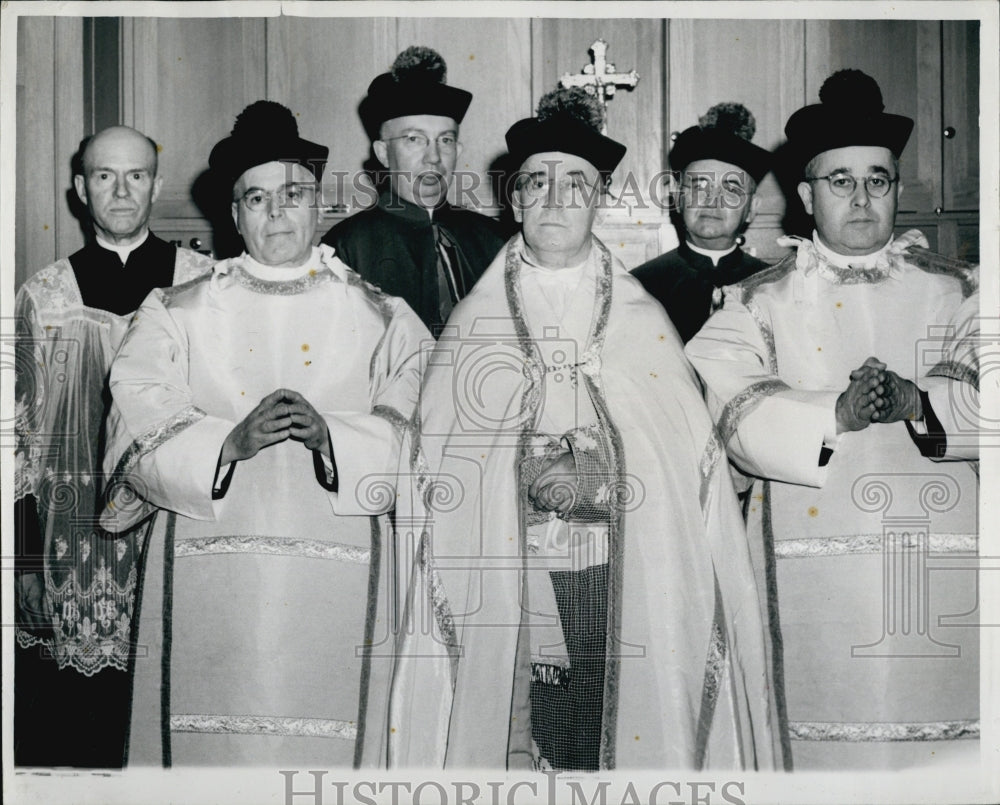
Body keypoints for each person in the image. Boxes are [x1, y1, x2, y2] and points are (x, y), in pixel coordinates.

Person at [389, 88, 773, 771]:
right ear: (514, 201)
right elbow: (432, 473)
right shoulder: (472, 327)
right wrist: (519, 481)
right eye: (538, 182)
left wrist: (604, 481)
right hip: (505, 588)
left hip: (611, 576)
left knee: (608, 748)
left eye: (576, 183)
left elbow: (686, 470)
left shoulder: (641, 321)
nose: (557, 199)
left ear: (599, 198)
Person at [99, 101, 430, 767]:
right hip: (212, 588)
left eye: (293, 193)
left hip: (335, 593)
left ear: (318, 204)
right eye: (257, 197)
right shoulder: (175, 311)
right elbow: (132, 419)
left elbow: (421, 431)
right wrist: (227, 443)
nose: (277, 213)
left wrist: (335, 437)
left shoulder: (384, 315)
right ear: (234, 213)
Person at [685, 70, 980, 770]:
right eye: (840, 181)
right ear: (808, 194)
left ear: (898, 190)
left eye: (878, 180)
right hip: (814, 586)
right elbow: (734, 413)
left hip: (944, 577)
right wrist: (835, 412)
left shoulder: (961, 289)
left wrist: (921, 402)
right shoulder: (754, 302)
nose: (861, 197)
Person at [13, 126, 212, 767]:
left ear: (156, 183)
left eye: (135, 176)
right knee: (78, 738)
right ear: (80, 189)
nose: (121, 191)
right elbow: (15, 439)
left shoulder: (203, 285)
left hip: (176, 536)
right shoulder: (43, 298)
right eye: (104, 176)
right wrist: (23, 562)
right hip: (73, 549)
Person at [321, 46, 505, 334]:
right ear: (383, 152)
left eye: (444, 140)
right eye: (414, 139)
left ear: (458, 149)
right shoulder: (344, 249)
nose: (433, 157)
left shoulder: (494, 242)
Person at [631, 103, 771, 343]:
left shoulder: (775, 286)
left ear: (752, 208)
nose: (712, 200)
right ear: (677, 196)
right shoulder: (639, 287)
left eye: (731, 189)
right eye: (699, 186)